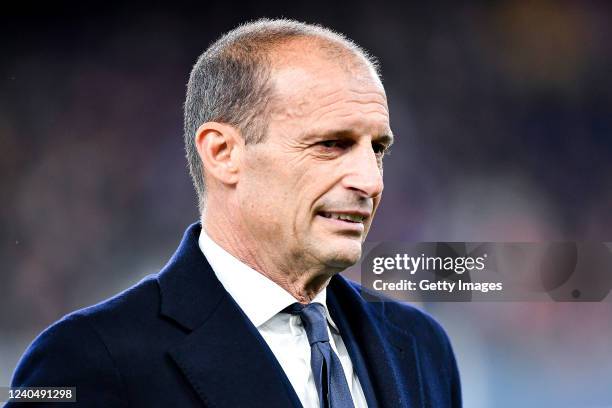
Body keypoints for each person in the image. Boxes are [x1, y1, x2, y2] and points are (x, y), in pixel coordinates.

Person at [7, 19, 461, 407]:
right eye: (331, 144)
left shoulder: (422, 347)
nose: (371, 180)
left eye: (377, 149)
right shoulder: (85, 359)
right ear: (223, 152)